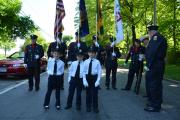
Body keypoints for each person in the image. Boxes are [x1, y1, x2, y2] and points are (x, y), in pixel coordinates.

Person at [144, 25, 167, 112]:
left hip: (155, 66)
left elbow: (152, 53)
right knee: (156, 85)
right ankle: (154, 103)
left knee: (154, 85)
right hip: (156, 65)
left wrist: (148, 65)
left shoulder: (156, 38)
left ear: (152, 31)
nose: (148, 34)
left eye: (149, 32)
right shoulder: (158, 38)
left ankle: (155, 106)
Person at [83, 46, 102, 113]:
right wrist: (84, 80)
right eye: (90, 52)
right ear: (88, 53)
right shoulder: (85, 62)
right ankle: (88, 106)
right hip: (88, 77)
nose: (91, 54)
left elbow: (99, 72)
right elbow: (83, 72)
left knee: (95, 94)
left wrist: (98, 80)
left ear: (95, 53)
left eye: (93, 53)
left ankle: (95, 107)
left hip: (94, 78)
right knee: (88, 93)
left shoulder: (97, 62)